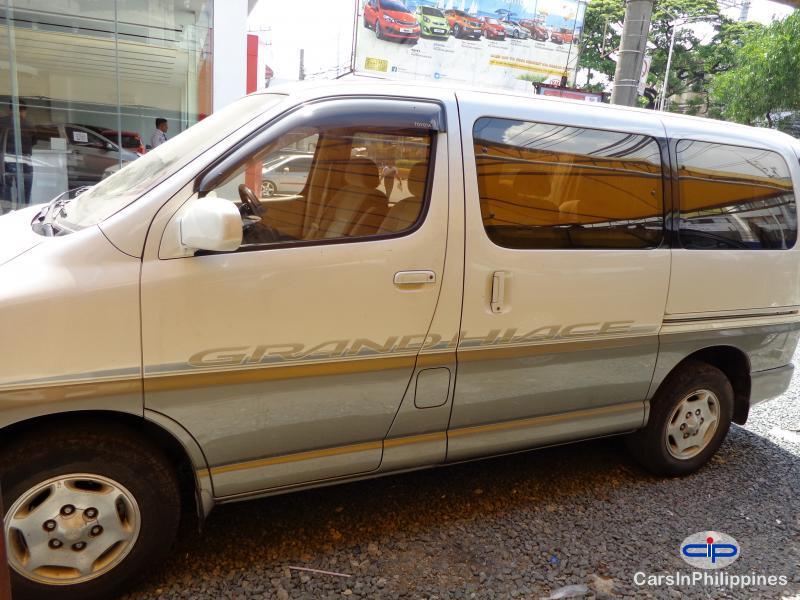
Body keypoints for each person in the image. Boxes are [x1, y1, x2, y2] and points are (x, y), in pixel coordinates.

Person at [0, 99, 36, 207]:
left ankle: (6, 213)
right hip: (25, 161)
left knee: (5, 189)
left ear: (10, 109)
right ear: (23, 111)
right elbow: (34, 141)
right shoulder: (29, 125)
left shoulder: (1, 122)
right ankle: (22, 213)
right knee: (25, 191)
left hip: (5, 161)